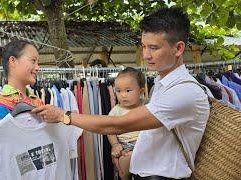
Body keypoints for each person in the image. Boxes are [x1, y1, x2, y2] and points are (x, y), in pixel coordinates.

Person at [32, 7, 210, 179]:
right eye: (143, 46)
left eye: (154, 48)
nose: (146, 55)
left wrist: (63, 115)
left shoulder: (184, 92)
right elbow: (157, 137)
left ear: (178, 48)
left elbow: (118, 125)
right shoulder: (162, 83)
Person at [0, 40, 44, 133]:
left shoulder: (38, 102)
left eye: (37, 63)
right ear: (13, 61)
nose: (37, 68)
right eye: (33, 61)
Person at [107, 67, 145, 180]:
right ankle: (124, 175)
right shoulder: (116, 110)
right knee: (124, 163)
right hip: (125, 146)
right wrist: (115, 145)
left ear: (141, 91)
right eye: (118, 91)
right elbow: (110, 129)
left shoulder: (147, 106)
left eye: (128, 91)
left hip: (144, 144)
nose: (123, 95)